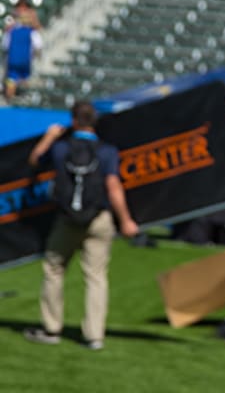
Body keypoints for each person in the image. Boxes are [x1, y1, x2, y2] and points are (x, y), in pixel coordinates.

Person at [23, 101, 139, 350]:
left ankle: (52, 328)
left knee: (54, 270)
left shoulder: (61, 148)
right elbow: (113, 186)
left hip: (66, 219)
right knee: (96, 277)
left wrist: (50, 136)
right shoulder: (107, 151)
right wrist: (126, 219)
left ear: (73, 120)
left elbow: (34, 160)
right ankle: (94, 336)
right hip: (99, 218)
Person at [3, 0, 42, 101]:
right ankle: (16, 100)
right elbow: (38, 46)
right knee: (22, 79)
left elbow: (5, 46)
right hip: (23, 60)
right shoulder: (28, 31)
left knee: (12, 80)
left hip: (14, 59)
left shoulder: (13, 30)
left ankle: (11, 99)